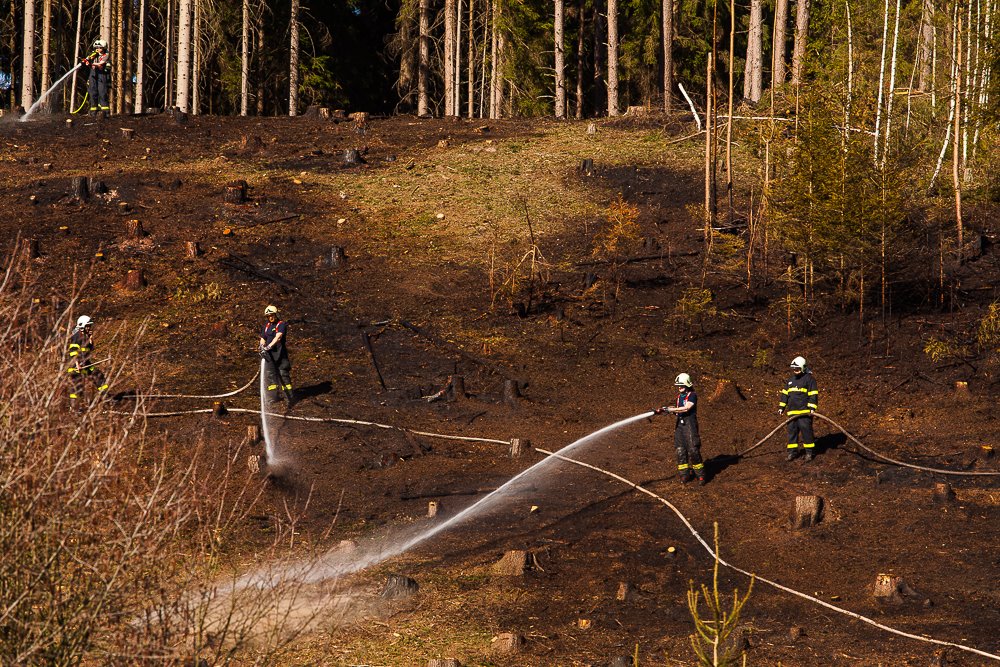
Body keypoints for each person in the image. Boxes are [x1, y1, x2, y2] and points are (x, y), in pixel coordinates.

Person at [654, 373, 706, 485]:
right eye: (678, 385)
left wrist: (671, 410)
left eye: (681, 385)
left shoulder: (692, 395)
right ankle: (684, 475)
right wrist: (665, 409)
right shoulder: (679, 397)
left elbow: (686, 408)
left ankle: (700, 475)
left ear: (687, 384)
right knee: (680, 451)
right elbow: (677, 410)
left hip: (690, 426)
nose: (679, 387)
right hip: (680, 426)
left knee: (693, 450)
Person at [779, 355, 819, 461]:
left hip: (804, 413)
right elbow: (785, 395)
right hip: (792, 413)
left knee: (806, 432)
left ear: (803, 368)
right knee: (792, 433)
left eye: (797, 368)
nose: (795, 370)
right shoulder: (790, 381)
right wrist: (781, 407)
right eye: (794, 369)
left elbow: (813, 394)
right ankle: (792, 453)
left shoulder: (809, 380)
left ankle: (809, 453)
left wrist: (812, 407)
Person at [67, 315, 109, 408]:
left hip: (85, 363)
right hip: (75, 365)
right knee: (77, 387)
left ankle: (106, 398)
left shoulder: (84, 335)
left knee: (98, 376)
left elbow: (89, 349)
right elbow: (73, 351)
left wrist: (90, 339)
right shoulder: (76, 335)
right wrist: (77, 365)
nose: (89, 328)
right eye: (88, 326)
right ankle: (74, 408)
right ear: (82, 326)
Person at [259, 305, 293, 405]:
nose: (270, 317)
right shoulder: (267, 326)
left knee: (283, 375)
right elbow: (263, 337)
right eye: (268, 316)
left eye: (272, 315)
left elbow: (278, 337)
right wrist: (261, 346)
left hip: (280, 354)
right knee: (270, 376)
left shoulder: (281, 324)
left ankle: (289, 398)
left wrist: (269, 346)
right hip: (269, 356)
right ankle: (272, 397)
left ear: (276, 314)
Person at [81, 39, 110, 117]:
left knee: (102, 92)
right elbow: (88, 61)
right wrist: (86, 62)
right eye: (96, 47)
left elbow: (101, 64)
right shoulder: (93, 54)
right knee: (92, 92)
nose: (98, 49)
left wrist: (92, 63)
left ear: (103, 48)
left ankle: (105, 112)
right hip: (93, 75)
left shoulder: (106, 55)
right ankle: (93, 111)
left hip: (102, 75)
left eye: (100, 47)